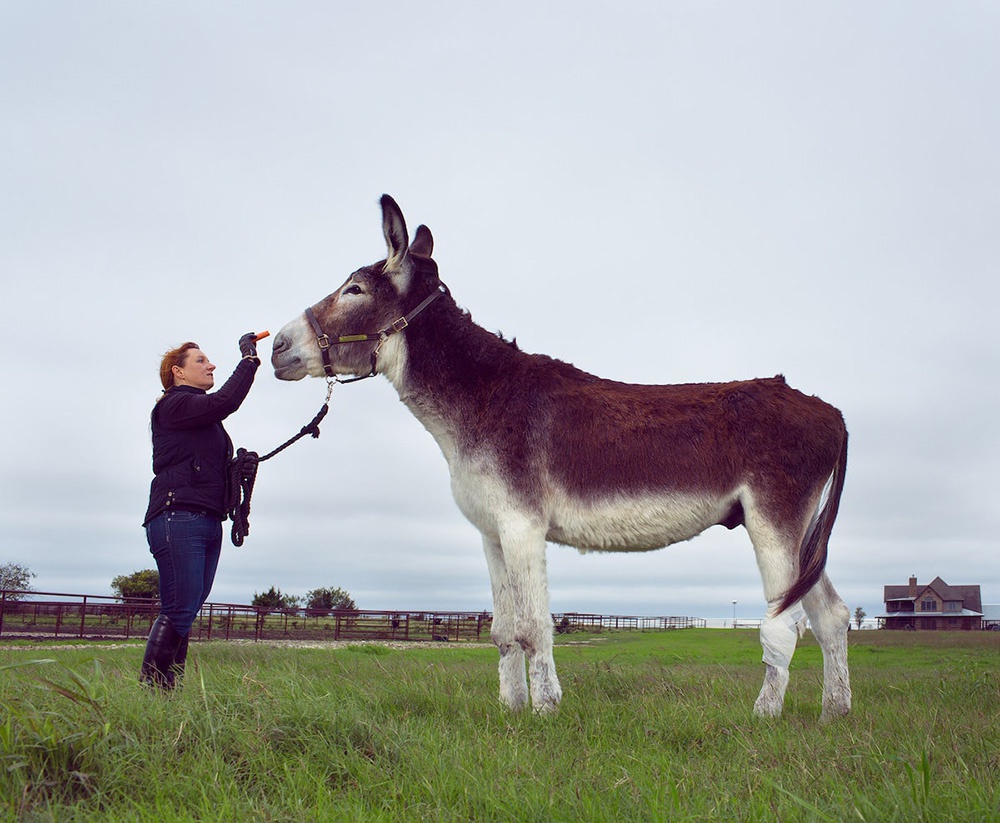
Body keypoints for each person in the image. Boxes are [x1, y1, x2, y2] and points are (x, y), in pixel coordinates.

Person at [140, 332, 261, 689]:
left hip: (207, 519)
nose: (211, 366)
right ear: (178, 372)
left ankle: (166, 693)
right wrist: (249, 359)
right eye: (201, 361)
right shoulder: (174, 404)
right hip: (178, 517)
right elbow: (226, 400)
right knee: (179, 608)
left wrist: (237, 468)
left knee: (187, 609)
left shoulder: (200, 418)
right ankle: (152, 693)